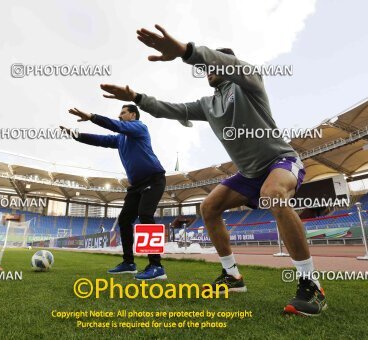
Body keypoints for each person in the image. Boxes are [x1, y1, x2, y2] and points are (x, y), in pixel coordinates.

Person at [100, 24, 326, 316]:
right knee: (209, 207)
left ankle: (312, 284)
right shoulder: (208, 104)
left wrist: (185, 51)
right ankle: (232, 276)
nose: (206, 69)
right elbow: (172, 110)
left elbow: (224, 63)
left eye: (212, 64)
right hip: (248, 173)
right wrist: (137, 97)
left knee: (272, 193)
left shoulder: (249, 82)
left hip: (279, 161)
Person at [61, 105, 167, 280]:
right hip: (136, 185)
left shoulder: (140, 127)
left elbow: (116, 125)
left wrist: (92, 115)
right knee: (125, 220)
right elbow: (100, 140)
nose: (119, 115)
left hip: (153, 179)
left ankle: (156, 266)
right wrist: (75, 135)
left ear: (133, 115)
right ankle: (129, 263)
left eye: (123, 112)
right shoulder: (120, 139)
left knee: (145, 214)